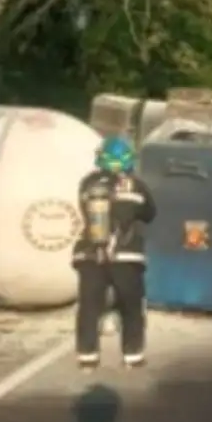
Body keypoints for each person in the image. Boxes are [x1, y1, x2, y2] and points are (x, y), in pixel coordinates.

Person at [73, 135, 157, 370]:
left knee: (89, 306)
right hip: (127, 256)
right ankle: (133, 356)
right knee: (131, 306)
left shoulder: (88, 183)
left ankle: (87, 356)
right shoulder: (137, 185)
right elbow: (150, 214)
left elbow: (84, 213)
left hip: (90, 255)